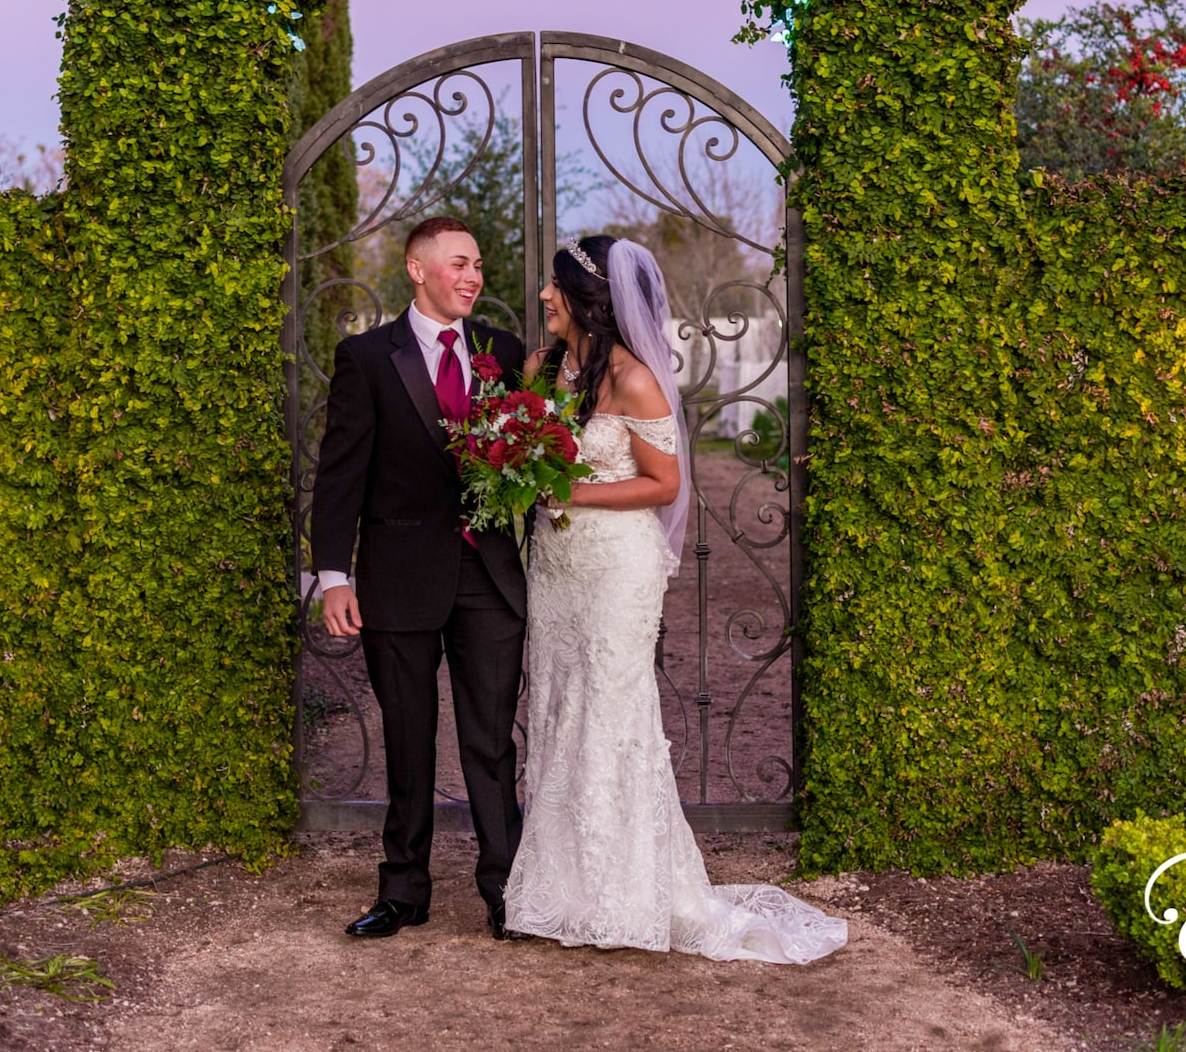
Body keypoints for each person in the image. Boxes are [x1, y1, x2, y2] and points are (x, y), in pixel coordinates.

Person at [503, 233, 848, 963]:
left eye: (554, 288)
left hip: (615, 564)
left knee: (612, 707)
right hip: (557, 565)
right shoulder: (539, 368)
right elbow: (522, 450)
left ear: (588, 302)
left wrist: (576, 489)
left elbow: (664, 483)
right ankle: (560, 889)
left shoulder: (634, 380)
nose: (542, 298)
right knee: (561, 702)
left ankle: (625, 889)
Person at [311, 216, 529, 942]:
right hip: (398, 575)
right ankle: (403, 890)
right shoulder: (368, 357)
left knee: (492, 741)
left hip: (488, 575)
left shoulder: (506, 353)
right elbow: (340, 473)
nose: (473, 277)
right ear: (417, 268)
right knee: (408, 738)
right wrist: (334, 575)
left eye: (478, 267)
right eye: (461, 263)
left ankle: (509, 891)